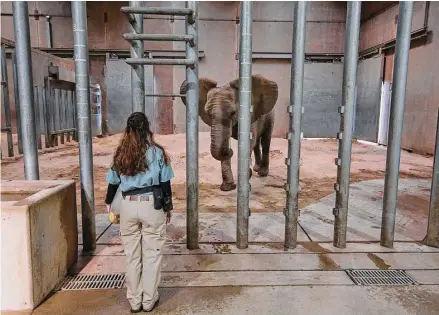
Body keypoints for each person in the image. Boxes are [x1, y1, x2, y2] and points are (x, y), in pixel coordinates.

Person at [104, 112, 174, 313]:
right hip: (152, 204)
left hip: (127, 204)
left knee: (132, 256)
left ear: (128, 129)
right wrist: (167, 208)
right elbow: (165, 184)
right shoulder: (157, 152)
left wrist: (109, 204)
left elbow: (112, 183)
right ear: (147, 128)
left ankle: (135, 301)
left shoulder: (120, 153)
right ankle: (149, 300)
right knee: (152, 254)